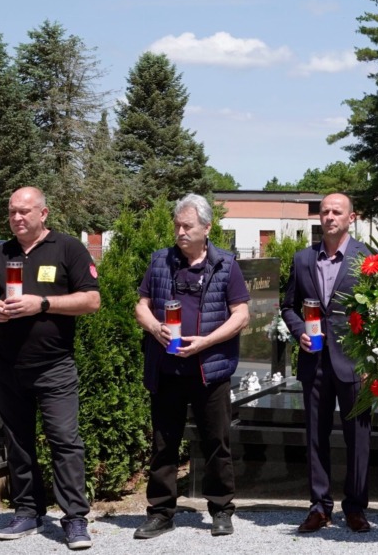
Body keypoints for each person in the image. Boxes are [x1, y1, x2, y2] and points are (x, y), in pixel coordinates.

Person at [0, 187, 101, 550]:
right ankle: (27, 511)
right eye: (12, 212)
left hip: (54, 367)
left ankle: (75, 518)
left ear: (43, 213)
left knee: (64, 441)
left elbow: (92, 300)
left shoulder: (67, 249)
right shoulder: (0, 254)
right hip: (7, 367)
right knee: (17, 442)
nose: (17, 218)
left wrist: (41, 303)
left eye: (25, 211)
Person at [133, 194, 250, 539]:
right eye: (177, 225)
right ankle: (160, 512)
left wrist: (206, 342)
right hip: (167, 369)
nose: (181, 232)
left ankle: (222, 509)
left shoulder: (226, 265)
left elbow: (241, 315)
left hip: (209, 369)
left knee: (216, 441)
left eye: (188, 226)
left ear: (207, 227)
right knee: (163, 443)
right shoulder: (160, 261)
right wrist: (156, 328)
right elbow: (141, 306)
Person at [281, 193, 372, 534]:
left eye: (337, 211)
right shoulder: (303, 259)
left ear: (351, 217)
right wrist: (299, 330)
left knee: (358, 438)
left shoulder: (367, 258)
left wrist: (371, 358)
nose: (330, 216)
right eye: (325, 212)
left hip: (354, 364)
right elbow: (287, 305)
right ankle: (319, 506)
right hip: (314, 361)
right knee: (316, 437)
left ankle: (356, 507)